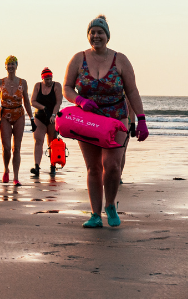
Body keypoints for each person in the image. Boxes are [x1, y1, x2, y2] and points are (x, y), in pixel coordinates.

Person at [63, 14, 148, 228]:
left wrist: (141, 119)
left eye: (100, 32)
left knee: (111, 166)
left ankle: (110, 204)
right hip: (88, 121)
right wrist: (80, 100)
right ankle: (95, 214)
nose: (96, 36)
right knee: (93, 168)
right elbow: (66, 88)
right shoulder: (78, 58)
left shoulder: (121, 60)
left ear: (107, 35)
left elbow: (133, 91)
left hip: (116, 119)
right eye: (92, 32)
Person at [0, 56, 30, 185]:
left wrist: (32, 118)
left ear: (16, 66)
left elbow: (27, 102)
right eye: (9, 64)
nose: (11, 66)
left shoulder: (22, 82)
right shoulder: (0, 82)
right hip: (4, 115)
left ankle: (16, 177)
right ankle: (6, 169)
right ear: (5, 66)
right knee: (6, 147)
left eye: (13, 64)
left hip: (19, 114)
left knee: (16, 148)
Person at [29, 67, 62, 179]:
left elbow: (59, 102)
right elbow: (32, 101)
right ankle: (37, 167)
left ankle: (53, 166)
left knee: (52, 142)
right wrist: (43, 107)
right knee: (38, 141)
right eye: (46, 79)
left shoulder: (56, 85)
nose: (49, 81)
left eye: (50, 78)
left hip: (52, 116)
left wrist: (53, 115)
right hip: (40, 116)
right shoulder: (37, 86)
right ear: (42, 79)